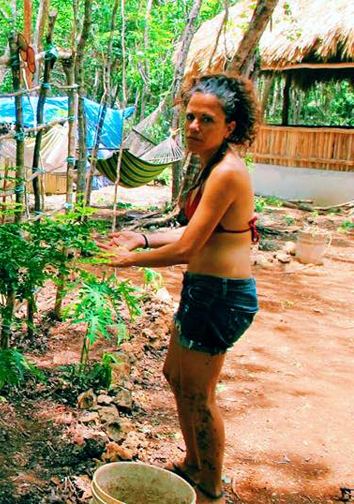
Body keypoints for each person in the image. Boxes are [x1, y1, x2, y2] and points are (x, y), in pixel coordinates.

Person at [101, 73, 261, 503]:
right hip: (204, 292)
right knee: (175, 376)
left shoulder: (227, 172)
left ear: (230, 126)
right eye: (190, 117)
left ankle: (209, 485)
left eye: (207, 120)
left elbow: (189, 247)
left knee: (199, 393)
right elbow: (196, 231)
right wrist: (142, 238)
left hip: (221, 298)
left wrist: (129, 260)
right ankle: (193, 463)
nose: (194, 127)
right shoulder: (209, 165)